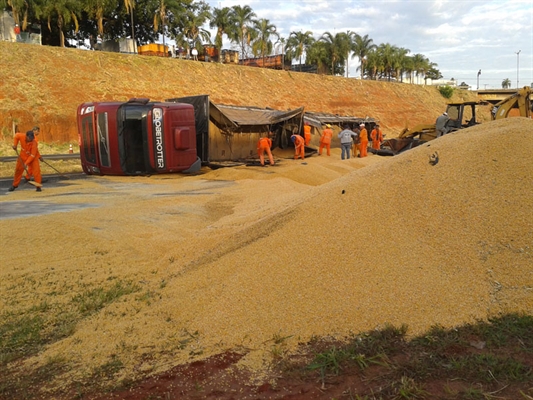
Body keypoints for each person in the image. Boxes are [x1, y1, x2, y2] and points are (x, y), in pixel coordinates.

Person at [9, 126, 43, 192]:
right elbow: (16, 136)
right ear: (26, 136)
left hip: (33, 157)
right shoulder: (21, 136)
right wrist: (15, 145)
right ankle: (15, 185)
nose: (31, 139)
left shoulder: (34, 142)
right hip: (23, 156)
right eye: (29, 138)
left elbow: (33, 155)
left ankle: (38, 186)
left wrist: (26, 163)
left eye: (32, 138)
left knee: (36, 171)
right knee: (18, 170)